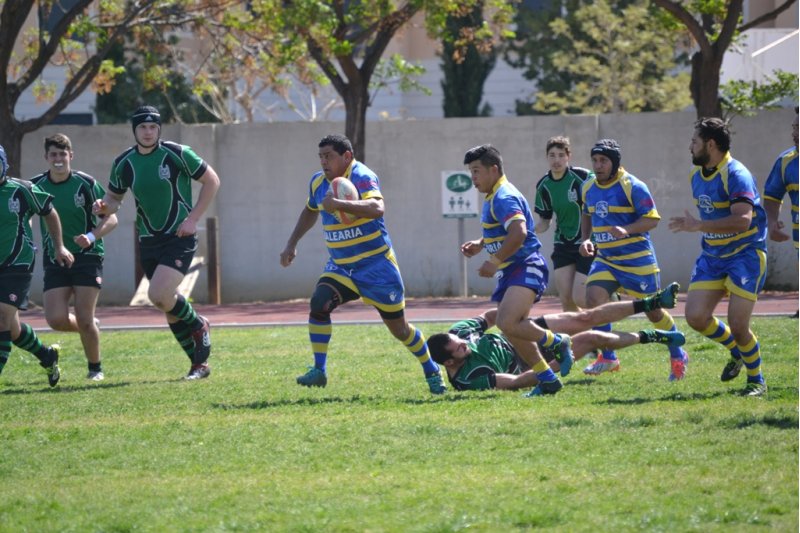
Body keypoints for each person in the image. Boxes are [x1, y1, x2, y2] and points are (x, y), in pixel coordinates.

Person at [280, 134, 447, 394]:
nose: (324, 162)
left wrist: (339, 203)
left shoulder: (362, 175)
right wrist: (291, 243)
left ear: (346, 156)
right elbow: (310, 210)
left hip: (376, 267)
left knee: (400, 330)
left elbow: (377, 207)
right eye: (321, 157)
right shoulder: (317, 182)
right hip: (341, 266)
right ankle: (319, 370)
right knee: (319, 304)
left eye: (329, 156)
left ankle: (431, 370)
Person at [93, 105, 220, 380]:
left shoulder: (177, 153)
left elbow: (212, 181)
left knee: (159, 295)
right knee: (167, 305)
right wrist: (103, 206)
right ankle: (198, 365)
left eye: (153, 127)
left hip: (179, 237)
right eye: (142, 127)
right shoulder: (124, 162)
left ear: (159, 129)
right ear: (134, 130)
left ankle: (199, 323)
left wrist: (193, 219)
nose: (148, 132)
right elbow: (114, 199)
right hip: (148, 240)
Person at [460, 144, 573, 397]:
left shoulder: (504, 196)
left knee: (506, 322)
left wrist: (495, 260)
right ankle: (547, 378)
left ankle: (558, 342)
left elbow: (519, 232)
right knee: (512, 328)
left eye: (477, 171)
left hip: (526, 265)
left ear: (494, 169)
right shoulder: (494, 195)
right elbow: (505, 230)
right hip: (512, 270)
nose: (473, 178)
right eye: (471, 172)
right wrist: (481, 244)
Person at [669, 117, 768, 396]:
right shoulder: (695, 175)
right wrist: (702, 230)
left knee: (739, 325)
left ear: (710, 145)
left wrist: (698, 226)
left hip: (745, 254)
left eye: (695, 141)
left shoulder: (737, 174)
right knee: (696, 317)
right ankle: (737, 351)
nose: (690, 147)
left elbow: (743, 220)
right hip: (713, 254)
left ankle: (756, 381)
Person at [428, 282, 683, 391]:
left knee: (583, 318)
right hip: (531, 360)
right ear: (450, 363)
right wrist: (548, 369)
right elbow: (517, 381)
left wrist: (517, 318)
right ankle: (650, 336)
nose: (463, 343)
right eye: (459, 349)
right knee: (592, 338)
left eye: (460, 341)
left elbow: (493, 316)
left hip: (523, 331)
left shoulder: (459, 332)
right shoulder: (468, 379)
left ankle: (651, 302)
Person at [579, 139, 688, 380]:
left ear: (615, 163)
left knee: (654, 313)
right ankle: (608, 357)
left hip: (637, 261)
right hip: (606, 259)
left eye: (603, 161)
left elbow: (652, 219)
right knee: (593, 298)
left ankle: (677, 352)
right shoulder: (588, 186)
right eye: (595, 161)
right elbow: (587, 213)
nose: (598, 166)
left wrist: (627, 229)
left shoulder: (632, 186)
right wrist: (585, 239)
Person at [31, 134, 118, 381]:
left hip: (87, 256)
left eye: (63, 154)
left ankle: (95, 368)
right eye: (54, 155)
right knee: (56, 319)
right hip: (55, 256)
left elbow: (111, 217)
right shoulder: (35, 185)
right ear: (46, 157)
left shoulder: (86, 184)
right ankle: (91, 327)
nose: (58, 159)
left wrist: (91, 236)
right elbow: (24, 214)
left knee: (83, 316)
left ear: (71, 155)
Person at [0, 144, 73, 386]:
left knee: (1, 318)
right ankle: (47, 355)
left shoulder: (22, 189)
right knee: (12, 330)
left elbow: (49, 212)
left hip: (17, 264)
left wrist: (59, 246)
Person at [534, 136, 594, 311]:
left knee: (582, 299)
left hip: (587, 244)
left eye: (561, 155)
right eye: (552, 155)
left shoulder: (583, 177)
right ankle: (578, 338)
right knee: (567, 300)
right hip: (563, 245)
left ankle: (610, 297)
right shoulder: (543, 186)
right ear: (547, 157)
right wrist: (528, 231)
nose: (556, 160)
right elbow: (545, 221)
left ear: (569, 156)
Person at [762, 107, 798, 318]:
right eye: (794, 127)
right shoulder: (786, 162)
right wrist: (772, 221)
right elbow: (772, 197)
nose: (795, 132)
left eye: (799, 128)